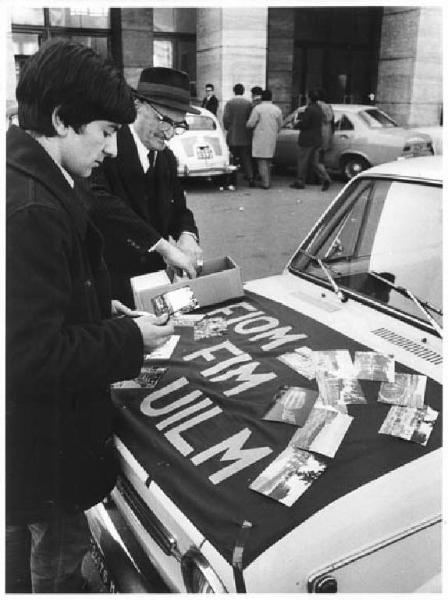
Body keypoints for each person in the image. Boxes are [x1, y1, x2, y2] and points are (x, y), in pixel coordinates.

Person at [6, 39, 174, 593]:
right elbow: (32, 355)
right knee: (57, 565)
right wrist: (129, 336)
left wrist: (101, 310)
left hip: (33, 449)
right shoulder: (32, 209)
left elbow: (41, 302)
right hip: (42, 451)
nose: (107, 149)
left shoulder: (33, 181)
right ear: (61, 120)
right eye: (103, 132)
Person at [88, 66, 203, 308]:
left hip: (156, 282)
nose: (170, 133)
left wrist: (187, 236)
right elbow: (101, 203)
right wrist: (165, 248)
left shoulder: (166, 158)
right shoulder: (107, 147)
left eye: (178, 125)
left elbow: (179, 209)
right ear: (138, 105)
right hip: (113, 286)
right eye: (164, 121)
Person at [290, 89, 332, 191]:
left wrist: (296, 124)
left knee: (302, 161)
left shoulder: (309, 109)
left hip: (307, 139)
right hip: (317, 139)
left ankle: (300, 181)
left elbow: (305, 124)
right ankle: (326, 178)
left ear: (309, 98)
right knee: (316, 162)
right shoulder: (319, 109)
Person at [246, 89, 283, 189]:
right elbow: (280, 125)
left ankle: (265, 183)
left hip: (259, 138)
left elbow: (250, 124)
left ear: (262, 97)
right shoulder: (277, 109)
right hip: (271, 137)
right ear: (271, 97)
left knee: (261, 160)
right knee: (268, 160)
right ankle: (267, 180)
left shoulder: (258, 109)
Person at [223, 83, 254, 187]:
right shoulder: (248, 104)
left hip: (233, 135)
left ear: (234, 91)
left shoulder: (230, 103)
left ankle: (232, 180)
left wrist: (229, 128)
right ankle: (251, 178)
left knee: (232, 158)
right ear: (243, 91)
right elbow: (250, 119)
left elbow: (226, 119)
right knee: (246, 158)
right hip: (245, 135)